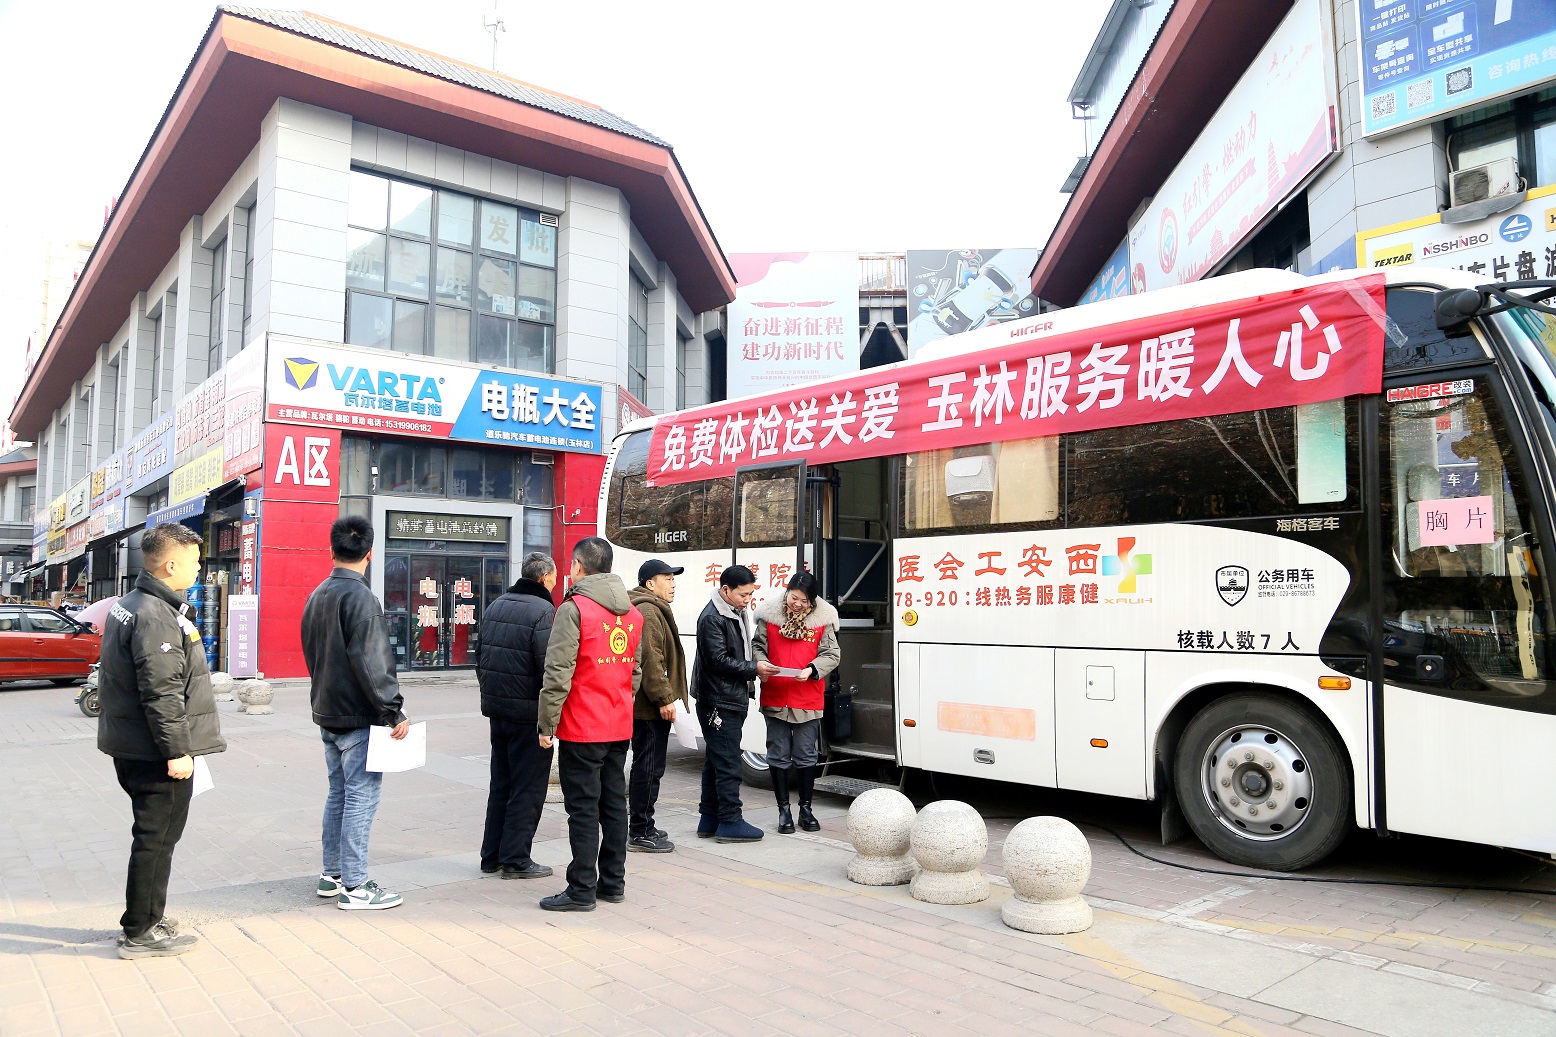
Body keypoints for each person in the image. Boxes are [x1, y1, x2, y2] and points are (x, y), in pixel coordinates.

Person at [97, 522, 226, 959]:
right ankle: (140, 931)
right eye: (194, 561)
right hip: (154, 750)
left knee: (154, 836)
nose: (199, 568)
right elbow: (161, 691)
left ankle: (148, 916)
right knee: (156, 838)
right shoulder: (154, 615)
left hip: (133, 742)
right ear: (170, 565)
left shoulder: (131, 604)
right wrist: (177, 751)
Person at [301, 516, 409, 911]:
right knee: (361, 798)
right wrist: (393, 711)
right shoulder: (361, 597)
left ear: (331, 551)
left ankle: (332, 875)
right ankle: (356, 885)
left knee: (339, 795)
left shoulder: (318, 594)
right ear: (370, 553)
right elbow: (372, 662)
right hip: (358, 718)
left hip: (327, 712)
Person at [536, 537, 642, 912]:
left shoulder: (574, 609)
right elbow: (634, 671)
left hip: (582, 726)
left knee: (582, 809)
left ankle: (581, 888)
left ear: (578, 566)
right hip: (618, 724)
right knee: (614, 805)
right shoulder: (633, 613)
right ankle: (613, 883)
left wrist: (547, 723)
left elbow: (558, 672)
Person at [476, 552, 558, 880]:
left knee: (502, 784)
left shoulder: (496, 605)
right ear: (544, 577)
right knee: (528, 788)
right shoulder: (544, 611)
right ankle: (516, 859)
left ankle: (491, 855)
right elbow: (549, 669)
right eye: (554, 577)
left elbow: (480, 658)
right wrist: (550, 717)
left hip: (498, 712)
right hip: (528, 715)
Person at [692, 565, 779, 843]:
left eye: (751, 594)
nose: (748, 600)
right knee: (729, 763)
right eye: (743, 595)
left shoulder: (733, 611)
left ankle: (709, 819)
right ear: (726, 590)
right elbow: (717, 661)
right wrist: (754, 668)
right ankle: (730, 821)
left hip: (726, 697)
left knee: (715, 761)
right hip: (719, 700)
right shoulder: (713, 617)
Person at [753, 571, 840, 834]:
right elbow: (757, 646)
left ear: (812, 600)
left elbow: (832, 654)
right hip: (776, 695)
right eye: (794, 598)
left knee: (806, 756)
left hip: (807, 697)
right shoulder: (769, 617)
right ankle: (783, 811)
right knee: (778, 755)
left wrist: (812, 669)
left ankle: (805, 809)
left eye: (804, 600)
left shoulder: (823, 620)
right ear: (787, 592)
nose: (798, 604)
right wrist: (761, 663)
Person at [625, 559, 688, 853]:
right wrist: (664, 698)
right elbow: (651, 659)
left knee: (649, 766)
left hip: (647, 704)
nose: (673, 583)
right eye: (667, 578)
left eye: (673, 578)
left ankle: (644, 824)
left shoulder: (651, 606)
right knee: (649, 768)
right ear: (650, 584)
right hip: (648, 707)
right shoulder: (648, 610)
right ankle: (640, 831)